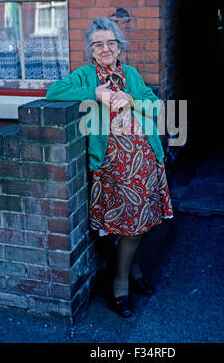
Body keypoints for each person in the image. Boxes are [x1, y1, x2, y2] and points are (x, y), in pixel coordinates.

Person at [46, 17, 173, 317]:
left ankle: (133, 270)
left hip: (146, 166)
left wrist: (131, 100)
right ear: (90, 49)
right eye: (98, 44)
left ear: (119, 46)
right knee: (129, 228)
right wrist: (95, 94)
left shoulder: (131, 74)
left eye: (111, 43)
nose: (105, 49)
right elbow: (54, 92)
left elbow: (156, 106)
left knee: (138, 226)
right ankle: (121, 284)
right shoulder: (84, 76)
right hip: (112, 170)